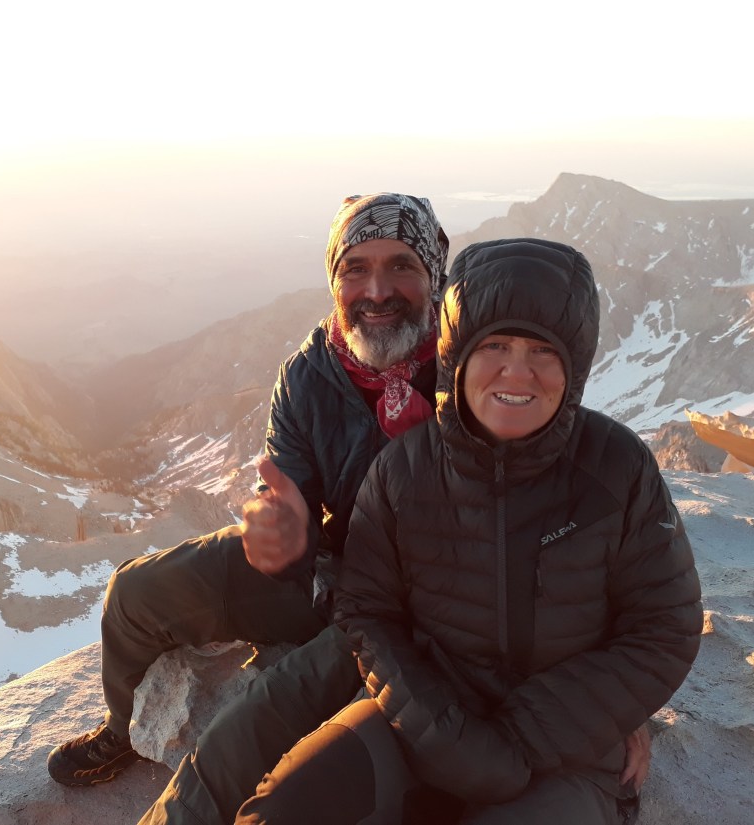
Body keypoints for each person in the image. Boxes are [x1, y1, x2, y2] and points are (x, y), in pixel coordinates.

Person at [234, 238, 703, 824]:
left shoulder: (616, 469)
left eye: (543, 350)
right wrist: (448, 736)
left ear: (574, 365)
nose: (517, 371)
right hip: (420, 725)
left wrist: (522, 740)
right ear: (456, 356)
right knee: (277, 813)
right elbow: (368, 611)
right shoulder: (404, 471)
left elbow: (663, 629)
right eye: (495, 345)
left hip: (567, 754)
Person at [46, 193, 450, 798]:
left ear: (434, 276)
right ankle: (126, 728)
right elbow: (287, 490)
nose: (376, 291)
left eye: (401, 266)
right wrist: (279, 533)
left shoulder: (470, 367)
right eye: (355, 269)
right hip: (328, 574)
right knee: (133, 593)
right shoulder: (310, 376)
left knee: (266, 721)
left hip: (431, 606)